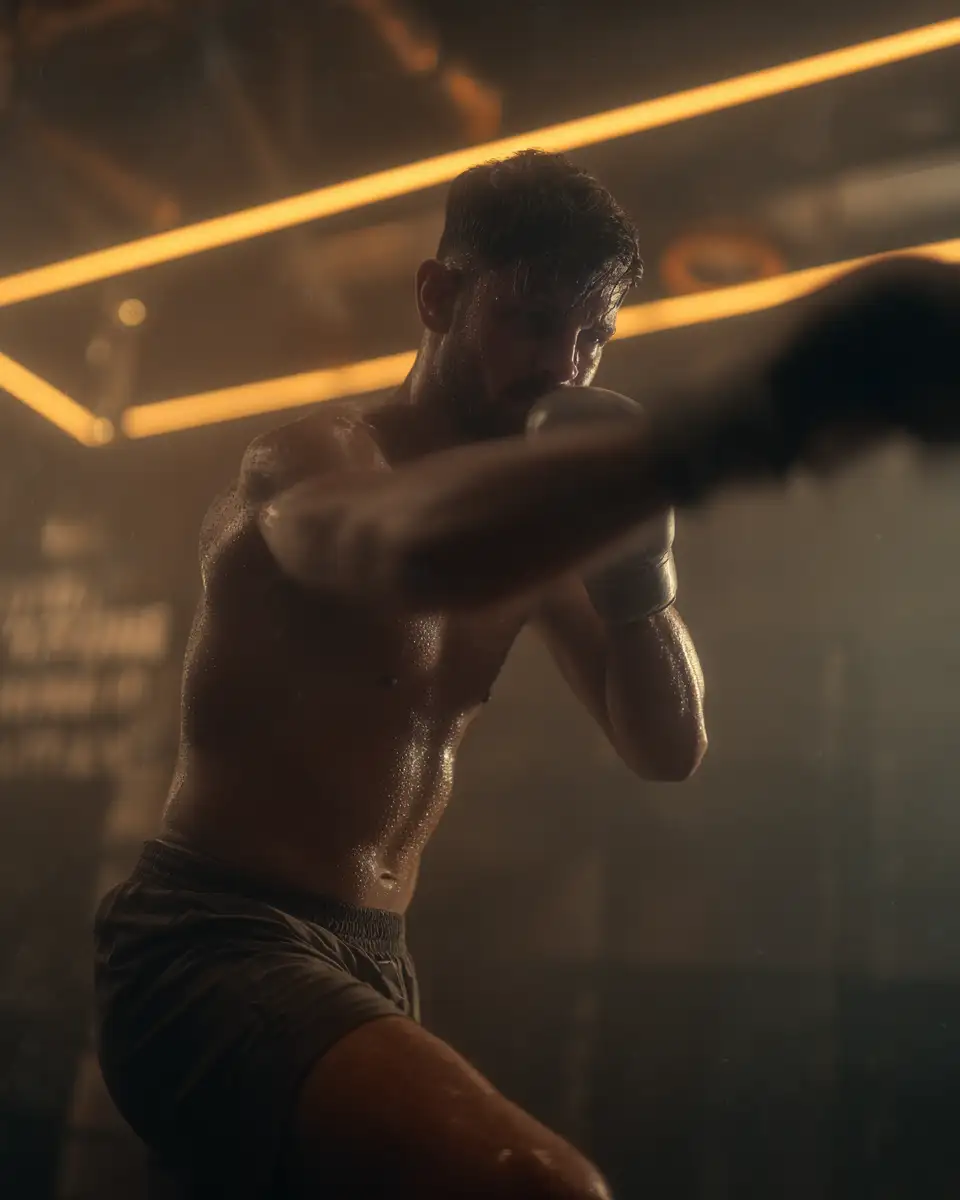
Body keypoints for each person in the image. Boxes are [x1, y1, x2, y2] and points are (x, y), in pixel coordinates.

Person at [94, 150, 960, 1200]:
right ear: (438, 296)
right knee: (542, 1187)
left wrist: (638, 567)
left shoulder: (532, 528)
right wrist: (721, 434)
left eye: (593, 336)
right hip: (214, 943)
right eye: (532, 321)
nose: (565, 365)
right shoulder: (312, 459)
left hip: (372, 956)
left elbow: (667, 747)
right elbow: (396, 554)